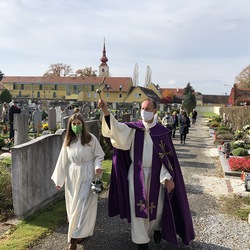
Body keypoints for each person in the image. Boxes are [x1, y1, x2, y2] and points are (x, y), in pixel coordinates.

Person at [98, 98, 195, 250]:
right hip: (136, 176)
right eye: (142, 108)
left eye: (148, 109)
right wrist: (105, 111)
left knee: (159, 208)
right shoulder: (133, 129)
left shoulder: (162, 133)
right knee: (138, 208)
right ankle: (141, 241)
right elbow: (116, 130)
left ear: (155, 111)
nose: (144, 111)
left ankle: (156, 228)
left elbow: (167, 160)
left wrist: (168, 177)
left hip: (157, 177)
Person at [51, 113, 105, 250]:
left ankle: (73, 239)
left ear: (83, 124)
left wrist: (97, 167)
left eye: (78, 123)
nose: (76, 126)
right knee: (73, 207)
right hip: (72, 177)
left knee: (82, 206)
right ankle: (80, 232)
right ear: (70, 126)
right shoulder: (68, 141)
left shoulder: (90, 139)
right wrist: (59, 179)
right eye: (73, 124)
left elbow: (99, 155)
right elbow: (62, 161)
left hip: (87, 175)